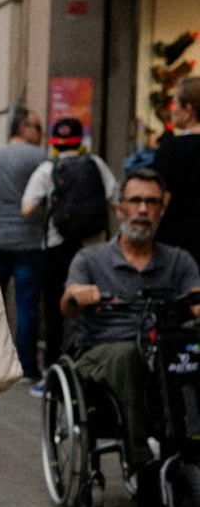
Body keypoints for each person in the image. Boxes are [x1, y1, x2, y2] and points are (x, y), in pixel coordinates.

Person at [62, 168, 200, 482]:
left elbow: (195, 302)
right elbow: (67, 303)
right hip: (104, 351)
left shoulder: (179, 261)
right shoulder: (90, 259)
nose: (142, 210)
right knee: (128, 356)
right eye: (135, 201)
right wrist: (79, 295)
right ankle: (140, 464)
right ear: (119, 208)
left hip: (160, 347)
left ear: (162, 208)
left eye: (151, 202)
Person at [21, 116, 118, 383]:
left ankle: (53, 370)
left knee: (54, 309)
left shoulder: (46, 169)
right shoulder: (96, 163)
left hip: (57, 246)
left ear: (54, 141)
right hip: (93, 246)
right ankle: (94, 364)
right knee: (96, 303)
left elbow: (26, 208)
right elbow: (116, 200)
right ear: (80, 141)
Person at [0, 105, 46, 383]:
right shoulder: (40, 159)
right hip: (29, 243)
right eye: (38, 127)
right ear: (24, 127)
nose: (41, 134)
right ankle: (27, 367)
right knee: (27, 306)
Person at [154, 77, 200, 267]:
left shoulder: (172, 148)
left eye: (174, 102)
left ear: (188, 109)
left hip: (178, 247)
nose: (171, 109)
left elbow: (161, 199)